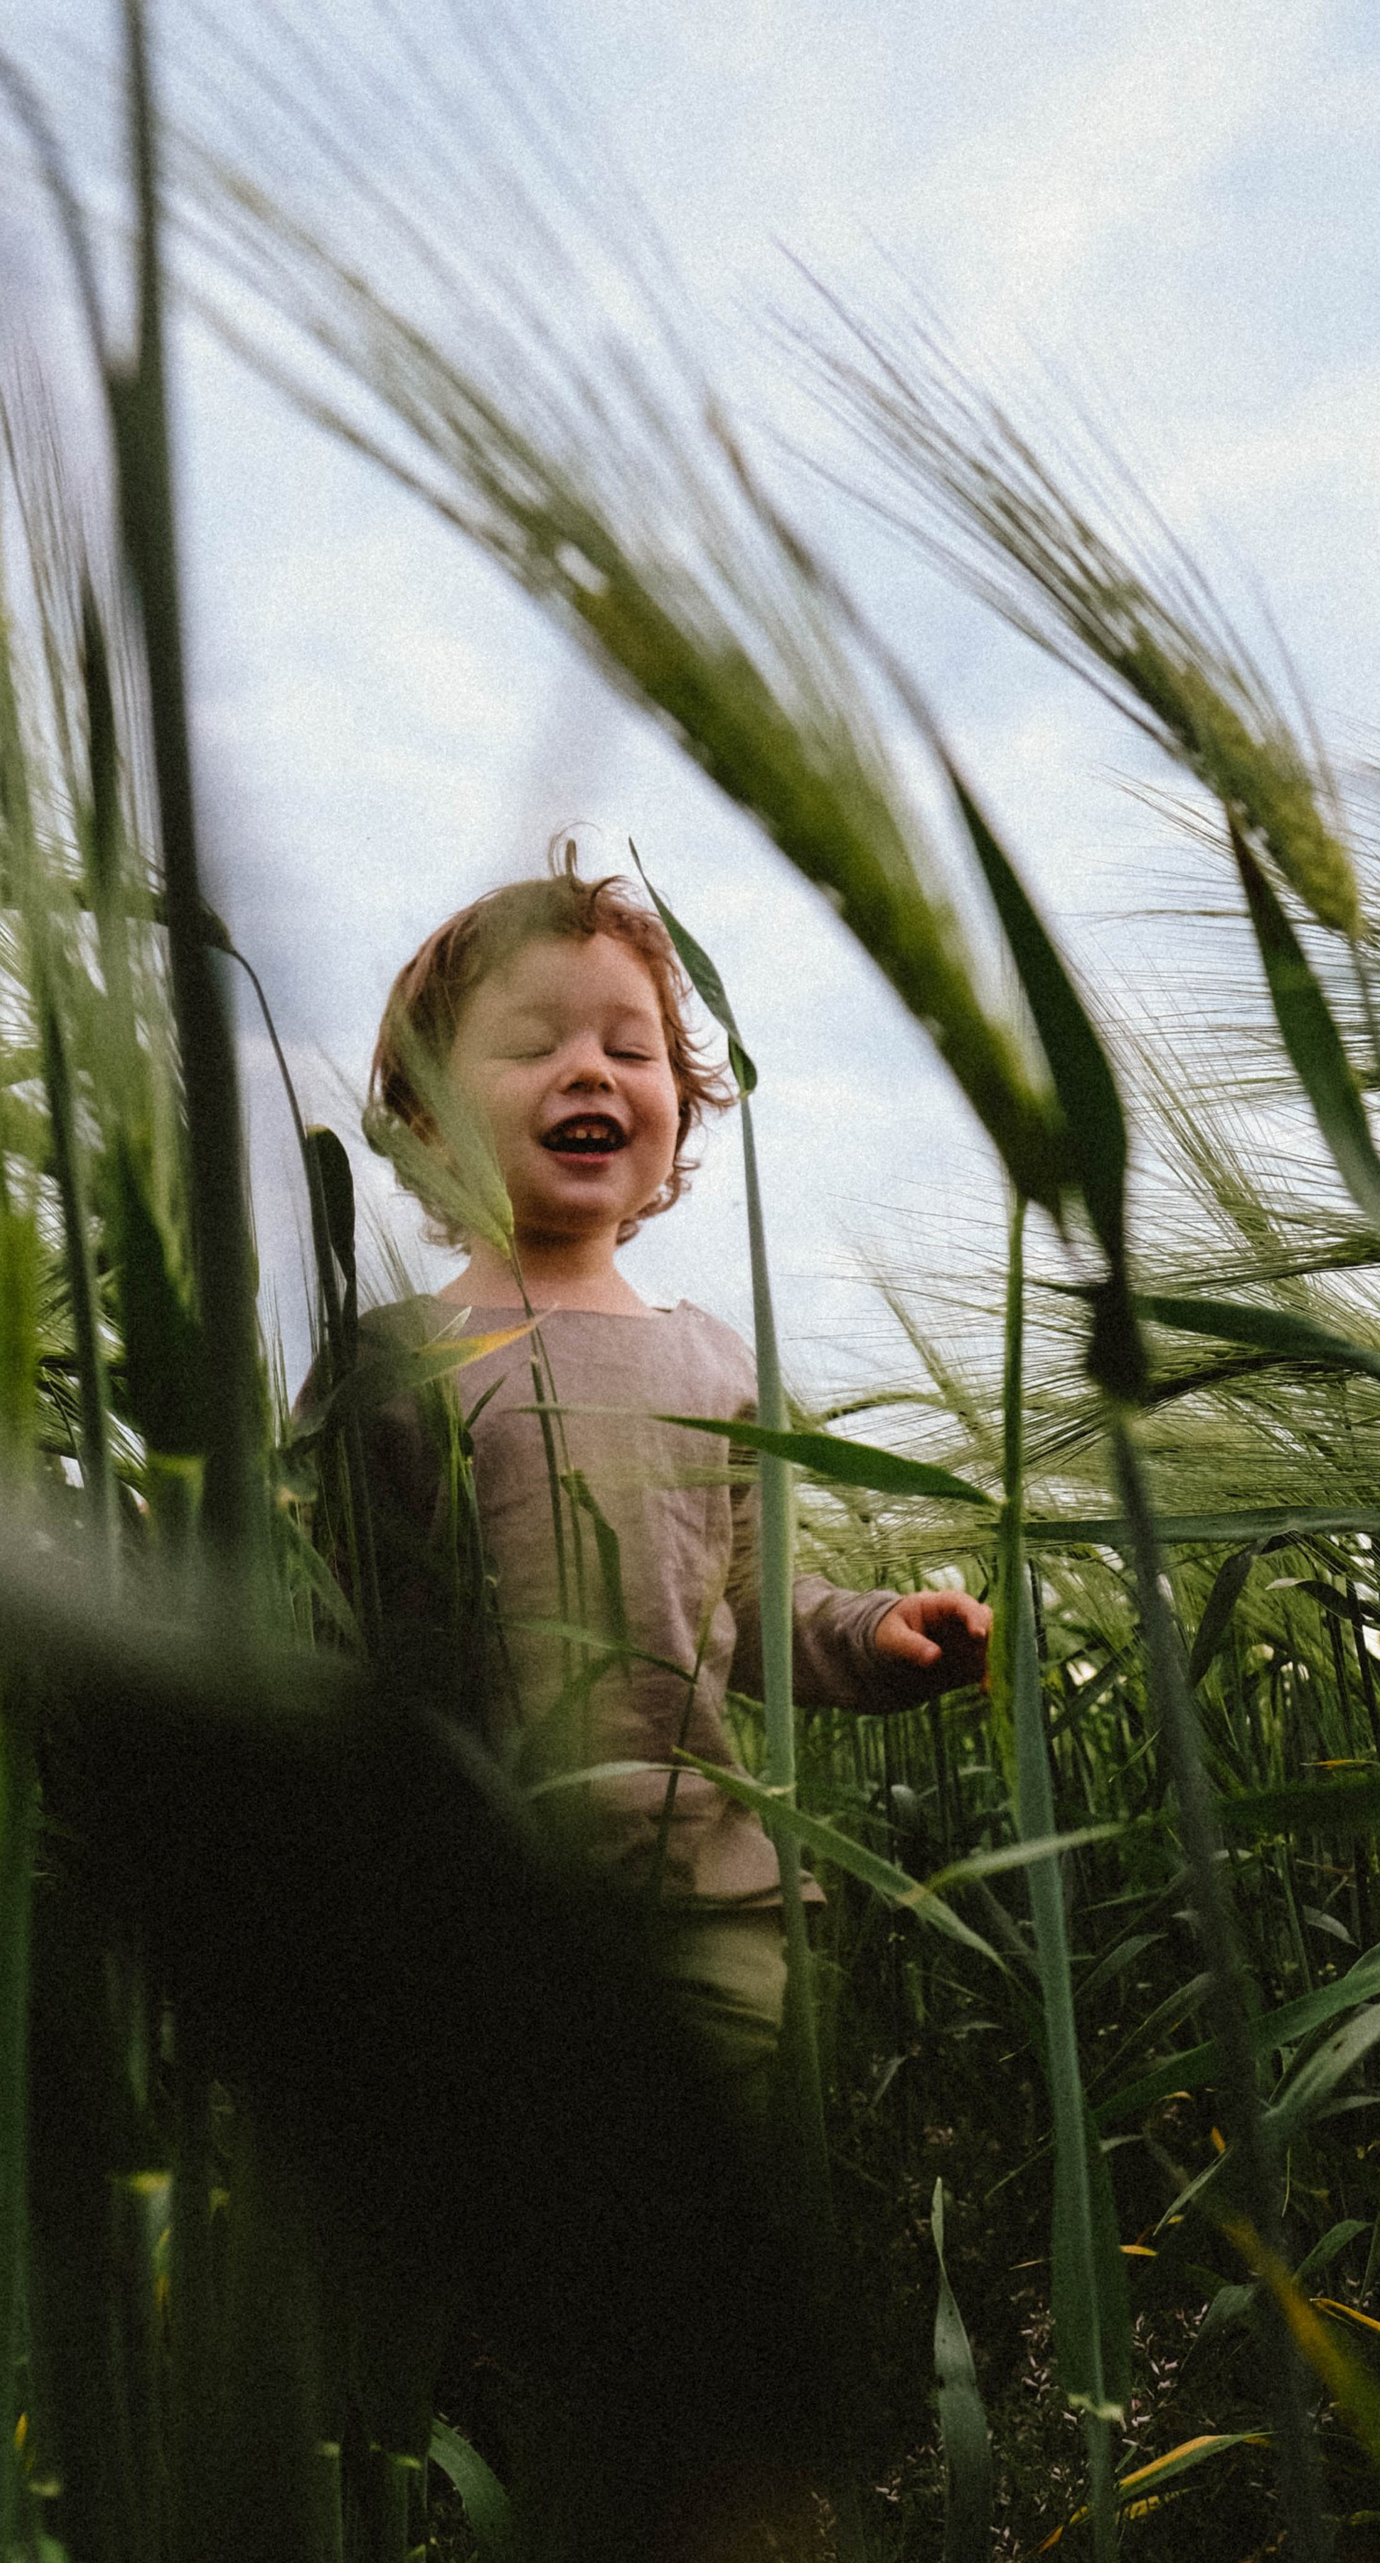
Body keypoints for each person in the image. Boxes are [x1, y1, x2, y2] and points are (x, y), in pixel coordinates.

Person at [330, 846, 991, 2065]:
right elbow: (316, 1614)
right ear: (423, 1115)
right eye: (532, 1044)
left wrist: (873, 1632)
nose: (588, 1068)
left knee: (687, 2230)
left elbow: (743, 1601)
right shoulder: (385, 1362)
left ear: (680, 1107)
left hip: (703, 1897)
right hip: (459, 1905)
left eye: (630, 1052)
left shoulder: (712, 1367)